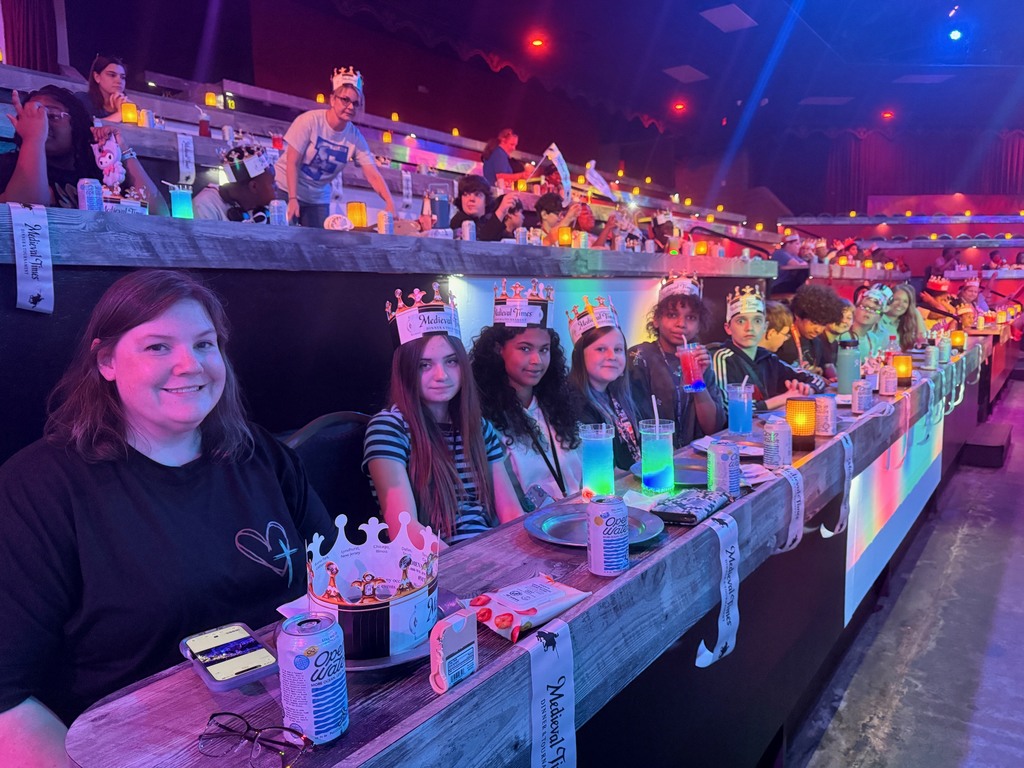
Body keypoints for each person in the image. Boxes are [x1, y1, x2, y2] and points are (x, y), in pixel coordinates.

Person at [0, 270, 333, 762]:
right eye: (158, 347)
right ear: (107, 361)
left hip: (299, 728)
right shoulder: (41, 486)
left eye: (204, 344)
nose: (189, 365)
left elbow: (334, 581)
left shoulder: (259, 453)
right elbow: (6, 696)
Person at [363, 282, 521, 546]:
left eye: (451, 361)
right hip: (434, 568)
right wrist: (466, 567)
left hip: (493, 556)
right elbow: (404, 530)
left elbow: (511, 514)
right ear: (405, 371)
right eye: (425, 365)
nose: (442, 376)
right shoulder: (389, 428)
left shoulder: (479, 427)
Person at [470, 280, 582, 509]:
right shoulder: (483, 416)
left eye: (544, 349)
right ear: (498, 350)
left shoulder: (557, 405)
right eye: (525, 349)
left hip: (575, 516)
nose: (537, 360)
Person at [0, 85, 168, 214]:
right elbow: (26, 216)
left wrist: (122, 150)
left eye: (52, 116)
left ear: (76, 123)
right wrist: (33, 138)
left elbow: (158, 214)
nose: (42, 125)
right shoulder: (8, 166)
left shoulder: (100, 170)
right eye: (32, 118)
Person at [274, 67, 395, 227]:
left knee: (318, 246)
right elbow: (292, 162)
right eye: (345, 100)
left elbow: (372, 174)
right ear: (332, 99)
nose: (351, 107)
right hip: (286, 188)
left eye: (356, 103)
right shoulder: (309, 121)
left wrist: (390, 203)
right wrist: (292, 198)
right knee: (283, 239)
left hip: (317, 198)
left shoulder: (355, 137)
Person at [628, 274, 726, 449]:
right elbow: (635, 425)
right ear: (656, 320)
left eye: (691, 317)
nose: (681, 324)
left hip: (696, 458)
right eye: (672, 315)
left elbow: (713, 427)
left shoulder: (700, 358)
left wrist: (697, 382)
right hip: (654, 458)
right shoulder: (639, 357)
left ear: (699, 324)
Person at [711, 285, 824, 412]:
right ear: (728, 328)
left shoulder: (768, 358)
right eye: (741, 321)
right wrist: (783, 399)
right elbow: (727, 409)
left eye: (757, 321)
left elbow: (816, 379)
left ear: (765, 327)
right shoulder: (722, 357)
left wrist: (806, 389)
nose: (750, 327)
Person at [568, 296, 643, 471]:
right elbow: (598, 470)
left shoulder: (622, 394)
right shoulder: (573, 404)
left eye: (617, 349)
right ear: (580, 356)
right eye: (601, 349)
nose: (612, 356)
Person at [192, 144, 276, 222]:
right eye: (272, 183)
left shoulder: (264, 209)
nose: (277, 187)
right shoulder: (205, 206)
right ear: (254, 186)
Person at [776, 283, 847, 375]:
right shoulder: (780, 339)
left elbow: (824, 369)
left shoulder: (817, 343)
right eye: (814, 323)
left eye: (823, 324)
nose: (818, 330)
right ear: (798, 314)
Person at [449, 175, 521, 242]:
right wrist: (501, 211)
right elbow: (480, 242)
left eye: (477, 194)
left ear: (486, 200)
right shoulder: (458, 220)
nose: (471, 199)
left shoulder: (487, 220)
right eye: (465, 195)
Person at [846, 284, 893, 361]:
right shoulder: (842, 336)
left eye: (874, 310)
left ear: (879, 318)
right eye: (864, 307)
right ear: (855, 309)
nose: (868, 312)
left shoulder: (873, 340)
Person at [877, 284, 927, 350]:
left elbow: (922, 341)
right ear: (888, 300)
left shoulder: (904, 323)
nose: (900, 304)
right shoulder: (877, 319)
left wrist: (916, 312)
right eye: (897, 299)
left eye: (905, 302)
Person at [79, 54, 128, 121]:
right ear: (97, 77)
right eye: (112, 75)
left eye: (123, 77)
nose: (119, 81)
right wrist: (120, 114)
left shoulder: (129, 105)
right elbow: (88, 129)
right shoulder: (82, 100)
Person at [820, 298, 854, 375]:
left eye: (849, 318)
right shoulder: (818, 340)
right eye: (840, 316)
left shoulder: (835, 344)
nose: (844, 320)